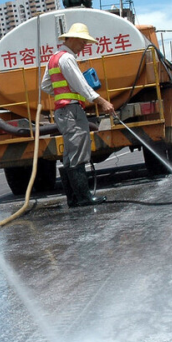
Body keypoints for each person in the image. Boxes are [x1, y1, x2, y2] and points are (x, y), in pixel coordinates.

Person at [41, 23, 115, 207]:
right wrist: (102, 102)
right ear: (72, 39)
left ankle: (73, 198)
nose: (84, 46)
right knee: (78, 153)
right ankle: (83, 197)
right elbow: (82, 85)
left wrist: (63, 91)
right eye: (82, 41)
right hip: (71, 111)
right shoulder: (67, 59)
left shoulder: (54, 58)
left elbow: (45, 86)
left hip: (63, 111)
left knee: (70, 154)